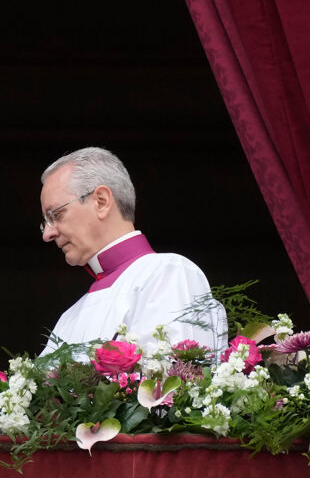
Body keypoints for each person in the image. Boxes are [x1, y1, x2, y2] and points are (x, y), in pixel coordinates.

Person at [38, 147, 227, 355]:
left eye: (56, 214)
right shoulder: (69, 317)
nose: (48, 233)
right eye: (45, 222)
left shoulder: (167, 273)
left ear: (101, 201)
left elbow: (176, 381)